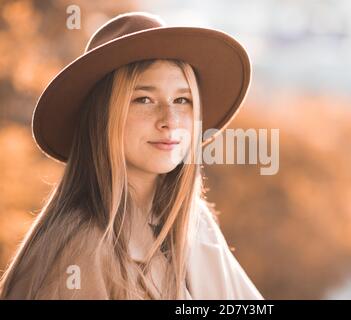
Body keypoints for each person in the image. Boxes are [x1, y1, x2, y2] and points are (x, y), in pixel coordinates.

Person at [0, 12, 263, 300]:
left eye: (182, 100)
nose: (170, 120)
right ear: (102, 116)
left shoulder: (194, 225)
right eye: (144, 99)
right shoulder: (79, 251)